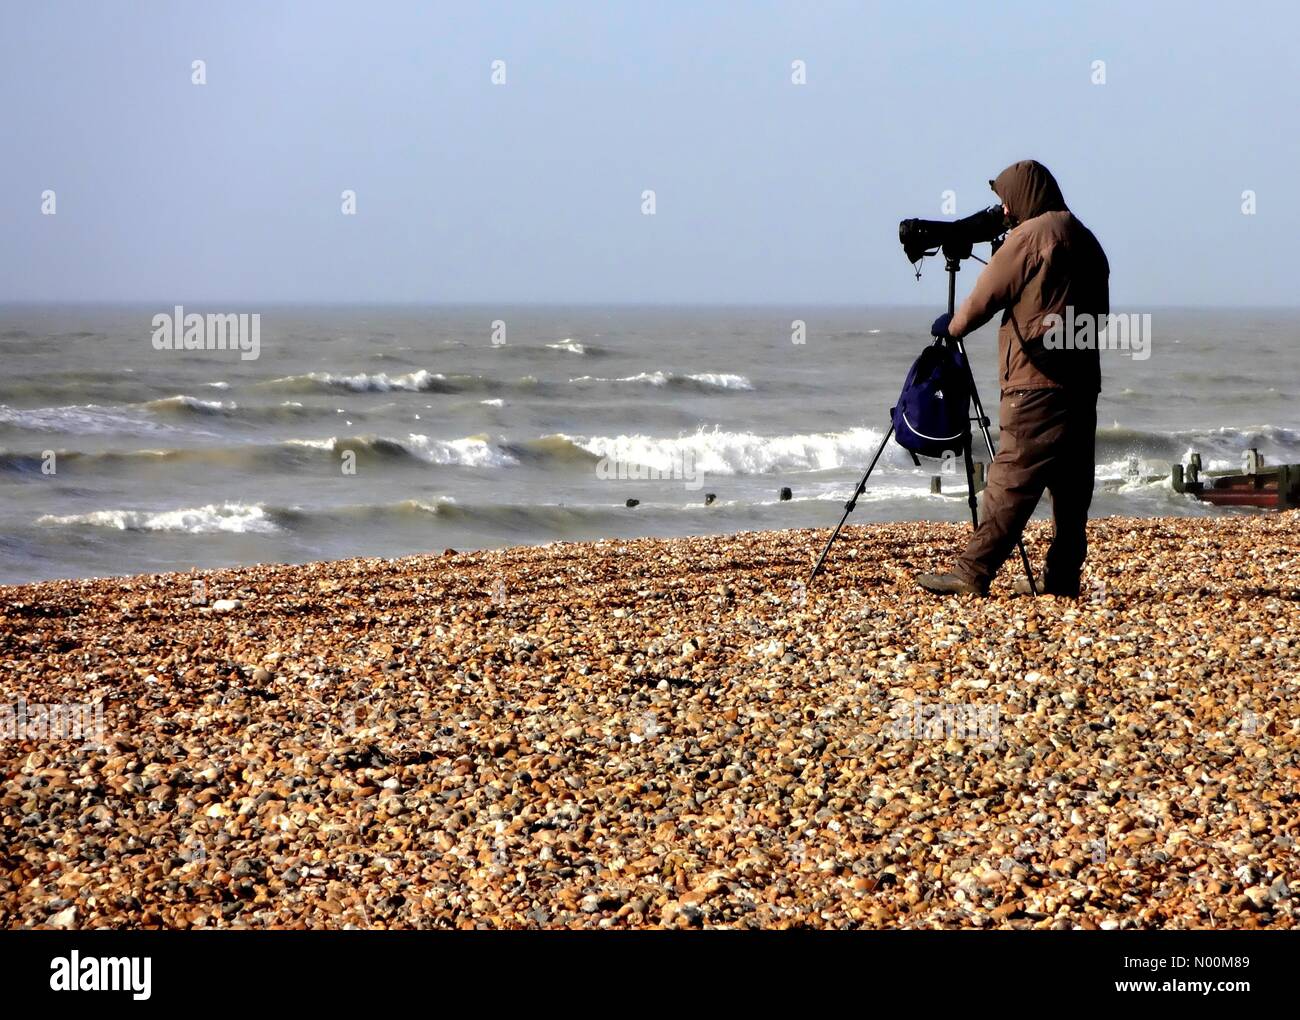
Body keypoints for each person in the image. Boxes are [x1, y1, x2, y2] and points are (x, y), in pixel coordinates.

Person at [917, 159, 1110, 597]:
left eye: (1006, 200)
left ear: (1023, 196)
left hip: (1034, 381)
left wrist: (950, 327)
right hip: (1081, 380)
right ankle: (1062, 579)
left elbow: (983, 300)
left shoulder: (1030, 237)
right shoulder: (1086, 239)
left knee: (1011, 477)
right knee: (1072, 488)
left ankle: (972, 572)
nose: (1003, 210)